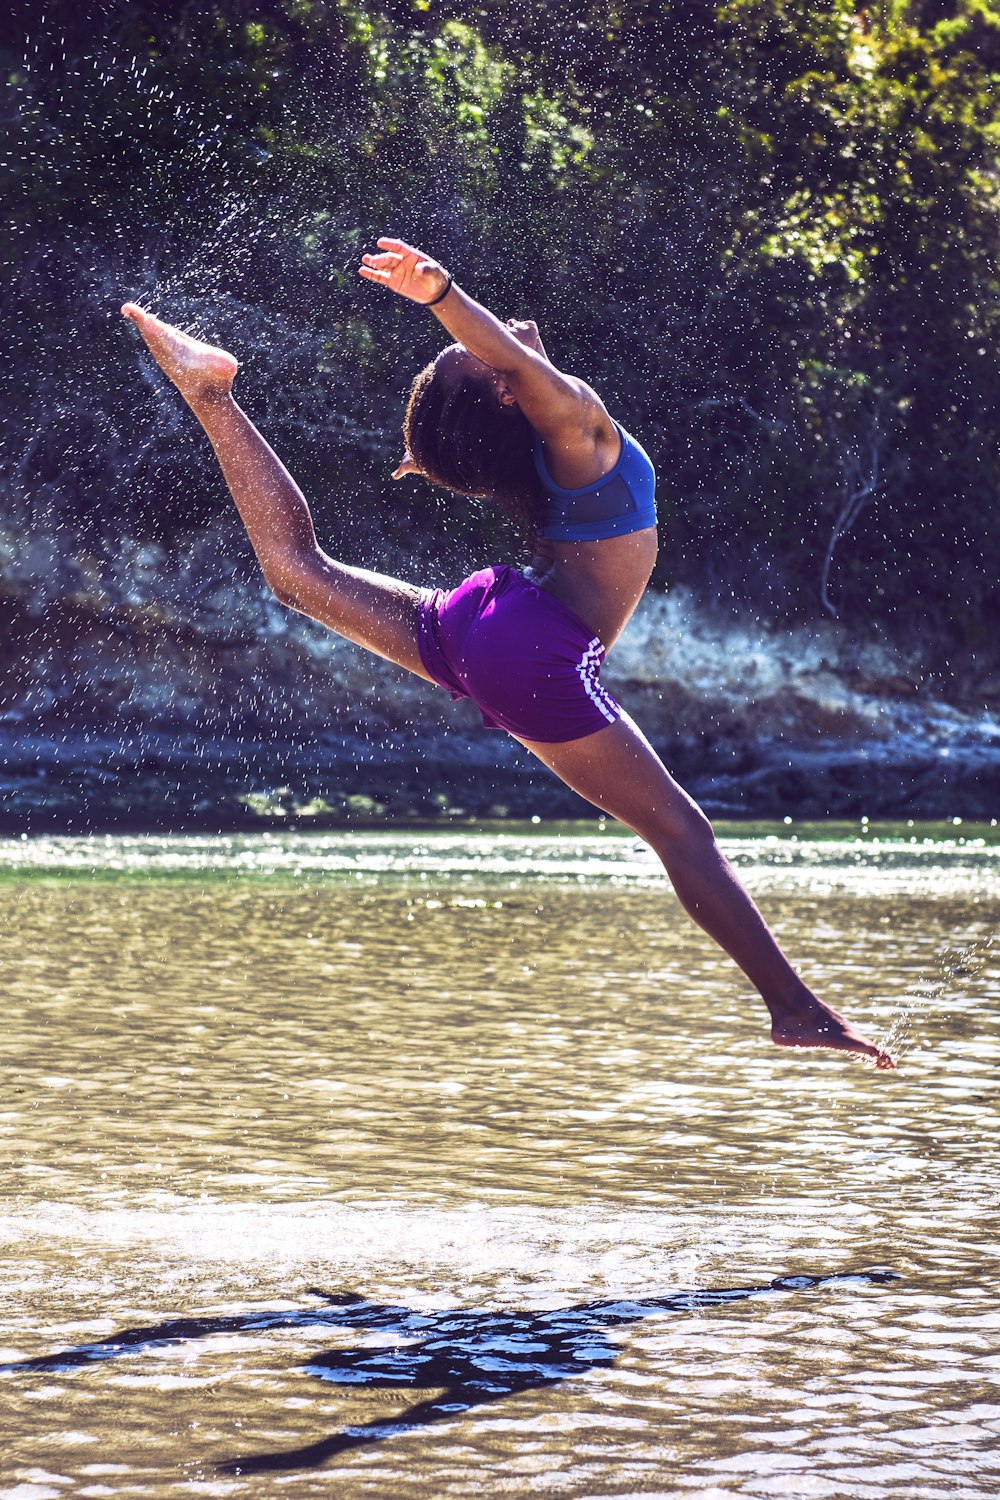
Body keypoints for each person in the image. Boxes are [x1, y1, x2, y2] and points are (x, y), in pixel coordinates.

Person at [121, 236, 895, 1069]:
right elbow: (513, 364)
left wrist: (450, 348)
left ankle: (209, 397)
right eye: (474, 352)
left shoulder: (557, 458)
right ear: (505, 388)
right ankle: (795, 1009)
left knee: (299, 575)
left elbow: (497, 383)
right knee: (681, 830)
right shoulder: (577, 429)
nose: (495, 335)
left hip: (488, 619)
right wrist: (440, 296)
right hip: (527, 646)